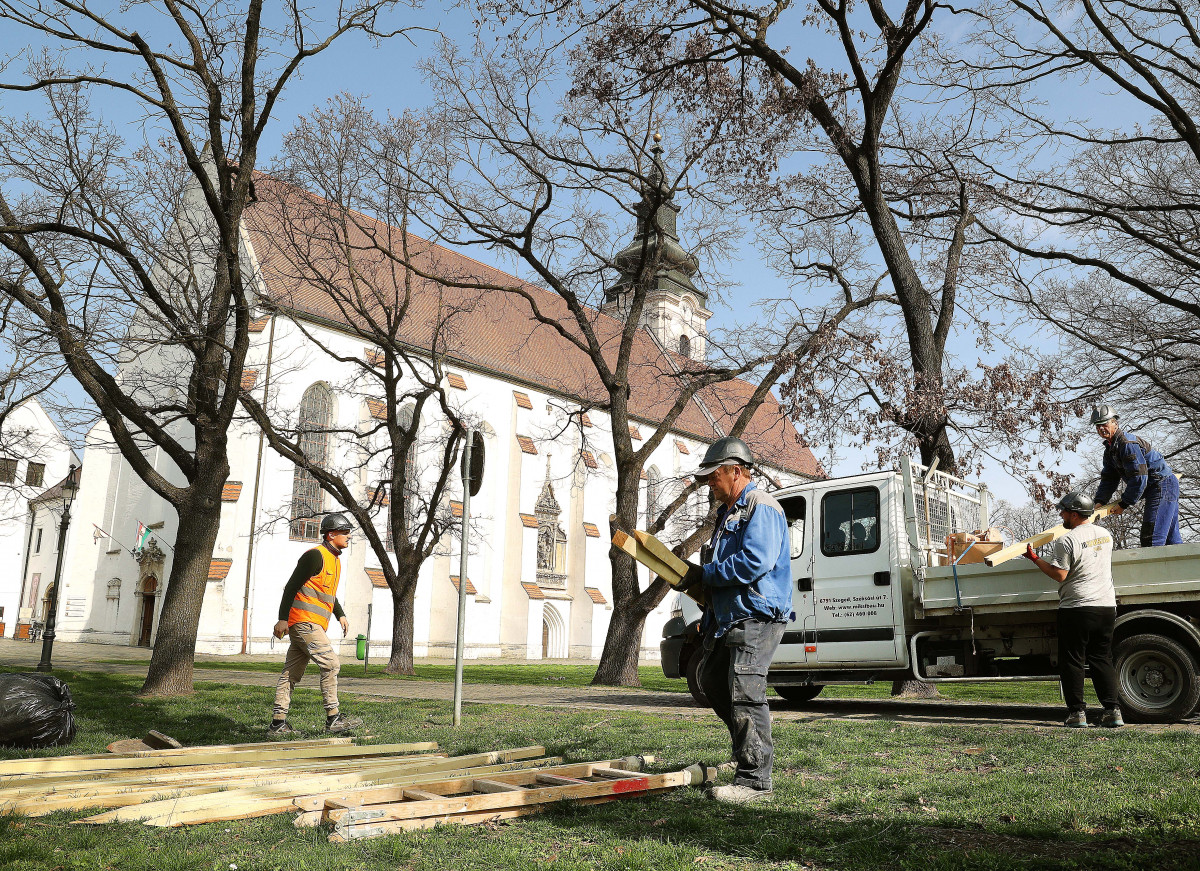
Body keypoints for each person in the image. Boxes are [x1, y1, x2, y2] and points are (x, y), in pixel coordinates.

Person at [680, 437, 792, 804]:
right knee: (712, 682)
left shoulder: (763, 507)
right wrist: (707, 616)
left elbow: (753, 563)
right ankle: (749, 753)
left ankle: (755, 781)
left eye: (714, 475)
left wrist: (706, 574)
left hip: (757, 615)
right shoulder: (727, 514)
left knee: (745, 692)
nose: (710, 482)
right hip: (729, 617)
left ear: (736, 471)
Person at [1023, 492, 1123, 728]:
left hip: (1077, 607)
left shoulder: (1067, 540)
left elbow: (1060, 575)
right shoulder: (1105, 535)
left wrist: (1034, 558)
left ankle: (1077, 714)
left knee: (1073, 661)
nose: (1061, 515)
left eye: (1063, 511)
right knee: (1102, 659)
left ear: (1074, 514)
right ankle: (1113, 711)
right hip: (1106, 606)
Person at [268, 512, 363, 736]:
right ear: (331, 535)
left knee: (290, 674)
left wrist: (340, 614)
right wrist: (282, 619)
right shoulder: (314, 556)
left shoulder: (334, 559)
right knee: (331, 664)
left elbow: (327, 593)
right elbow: (291, 587)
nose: (349, 536)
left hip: (312, 625)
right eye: (345, 532)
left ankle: (277, 724)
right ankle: (334, 718)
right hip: (304, 623)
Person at [1090, 404, 1182, 547]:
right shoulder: (1110, 450)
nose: (1101, 428)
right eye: (1097, 426)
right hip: (1160, 486)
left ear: (1115, 422)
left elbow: (1139, 477)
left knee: (1151, 539)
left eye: (1104, 424)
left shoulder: (1127, 444)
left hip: (1162, 485)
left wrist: (1124, 503)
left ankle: (1152, 569)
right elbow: (1109, 479)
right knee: (1172, 542)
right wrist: (1100, 501)